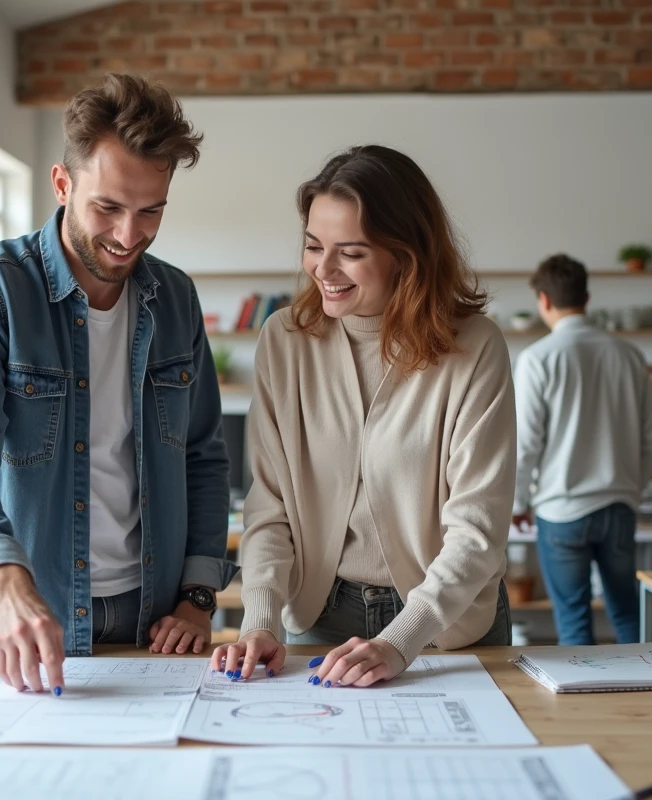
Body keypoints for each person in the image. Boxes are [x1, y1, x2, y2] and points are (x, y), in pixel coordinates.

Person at [0, 73, 237, 694]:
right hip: (13, 622)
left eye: (151, 212)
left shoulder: (177, 299)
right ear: (63, 184)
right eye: (107, 208)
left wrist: (198, 596)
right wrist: (5, 580)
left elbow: (202, 454)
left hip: (154, 622)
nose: (127, 236)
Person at [212, 145, 516, 687]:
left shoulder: (474, 347)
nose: (323, 270)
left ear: (406, 253)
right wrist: (259, 622)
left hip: (444, 625)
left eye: (349, 252)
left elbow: (477, 529)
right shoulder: (284, 340)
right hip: (320, 617)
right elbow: (269, 505)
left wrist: (401, 640)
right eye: (312, 246)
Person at [511, 254, 652, 646]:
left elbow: (526, 443)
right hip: (619, 507)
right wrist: (633, 489)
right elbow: (651, 438)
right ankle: (646, 695)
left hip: (562, 513)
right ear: (587, 297)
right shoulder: (629, 355)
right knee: (628, 613)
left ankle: (582, 704)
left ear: (543, 300)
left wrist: (517, 502)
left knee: (574, 620)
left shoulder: (537, 359)